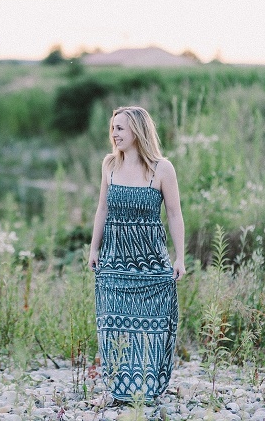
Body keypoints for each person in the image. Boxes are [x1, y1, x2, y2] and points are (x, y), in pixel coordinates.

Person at [88, 106, 185, 405]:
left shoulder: (162, 168)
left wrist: (179, 257)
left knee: (154, 326)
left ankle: (147, 389)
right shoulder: (109, 165)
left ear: (137, 132)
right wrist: (94, 248)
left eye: (120, 128)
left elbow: (174, 213)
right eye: (113, 127)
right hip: (115, 260)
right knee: (112, 325)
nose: (114, 134)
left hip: (151, 262)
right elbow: (102, 208)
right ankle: (117, 390)